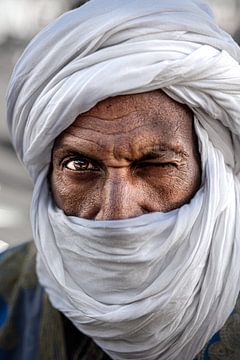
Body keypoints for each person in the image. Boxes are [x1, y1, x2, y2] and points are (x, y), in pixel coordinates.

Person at [1, 0, 240, 359]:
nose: (117, 213)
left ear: (211, 172)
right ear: (47, 174)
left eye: (156, 165)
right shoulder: (8, 290)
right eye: (80, 167)